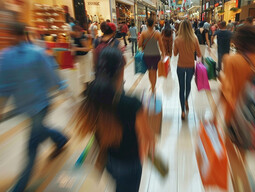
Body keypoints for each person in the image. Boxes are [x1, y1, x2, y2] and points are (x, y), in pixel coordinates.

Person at [75, 46, 155, 192]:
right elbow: (147, 137)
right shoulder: (132, 104)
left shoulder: (92, 97)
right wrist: (147, 155)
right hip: (130, 164)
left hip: (109, 160)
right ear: (121, 70)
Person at [0, 23, 69, 192]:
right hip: (27, 105)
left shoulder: (33, 54)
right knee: (39, 130)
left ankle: (20, 187)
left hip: (40, 105)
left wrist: (63, 90)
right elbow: (5, 86)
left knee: (32, 145)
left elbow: (51, 76)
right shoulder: (8, 57)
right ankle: (60, 139)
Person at [218, 25, 255, 191]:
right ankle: (240, 183)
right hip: (254, 115)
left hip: (233, 115)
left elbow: (226, 91)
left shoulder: (231, 60)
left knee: (231, 152)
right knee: (242, 151)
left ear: (238, 41)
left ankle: (242, 185)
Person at [174, 20, 202, 120]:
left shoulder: (177, 39)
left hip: (180, 66)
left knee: (181, 88)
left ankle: (182, 111)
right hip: (190, 66)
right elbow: (199, 54)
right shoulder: (194, 38)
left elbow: (175, 53)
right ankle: (186, 100)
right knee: (188, 85)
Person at [139, 18, 165, 94]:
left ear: (146, 24)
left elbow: (139, 45)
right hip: (156, 55)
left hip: (147, 55)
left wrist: (142, 49)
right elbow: (161, 45)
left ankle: (152, 86)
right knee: (155, 71)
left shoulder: (143, 33)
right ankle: (154, 86)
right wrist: (163, 54)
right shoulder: (157, 33)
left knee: (150, 71)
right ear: (154, 24)